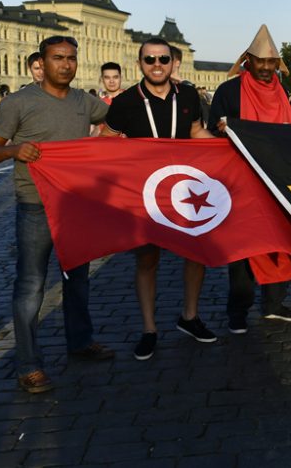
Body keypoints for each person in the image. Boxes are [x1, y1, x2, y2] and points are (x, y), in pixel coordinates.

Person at [0, 35, 115, 394]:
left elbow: (113, 120)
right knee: (31, 286)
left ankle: (80, 341)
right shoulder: (19, 102)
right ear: (42, 62)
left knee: (77, 281)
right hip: (36, 206)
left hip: (75, 207)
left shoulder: (84, 102)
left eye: (71, 58)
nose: (66, 64)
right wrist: (14, 150)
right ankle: (28, 365)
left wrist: (108, 138)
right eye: (58, 58)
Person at [101, 37, 217, 360]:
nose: (156, 65)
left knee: (196, 251)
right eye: (149, 59)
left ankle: (189, 317)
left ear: (172, 63)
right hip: (147, 192)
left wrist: (227, 147)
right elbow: (104, 143)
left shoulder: (189, 94)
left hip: (183, 189)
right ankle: (149, 329)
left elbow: (196, 131)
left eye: (162, 59)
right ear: (139, 63)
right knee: (147, 260)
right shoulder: (126, 102)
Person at [208, 25, 291, 333]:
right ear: (248, 61)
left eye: (271, 63)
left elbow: (287, 131)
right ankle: (238, 311)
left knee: (279, 240)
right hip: (241, 180)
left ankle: (273, 303)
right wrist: (225, 129)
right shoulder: (229, 91)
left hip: (276, 179)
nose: (266, 68)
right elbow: (214, 130)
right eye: (260, 61)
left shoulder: (280, 90)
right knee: (243, 248)